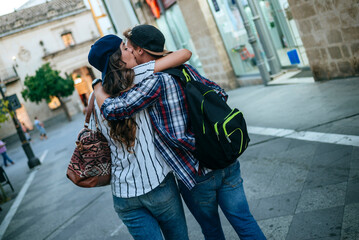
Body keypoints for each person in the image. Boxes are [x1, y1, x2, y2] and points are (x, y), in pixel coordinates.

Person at [94, 25, 266, 240]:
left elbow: (113, 110)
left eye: (128, 47)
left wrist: (97, 86)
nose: (127, 51)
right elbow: (219, 94)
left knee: (212, 231)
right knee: (245, 222)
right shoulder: (185, 67)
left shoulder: (153, 81)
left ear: (139, 50)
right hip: (226, 160)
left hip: (195, 171)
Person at [88, 34, 192, 240]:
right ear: (117, 58)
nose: (130, 50)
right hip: (158, 184)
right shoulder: (139, 76)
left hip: (124, 195)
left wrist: (96, 86)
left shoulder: (96, 97)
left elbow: (96, 137)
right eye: (124, 48)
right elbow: (184, 55)